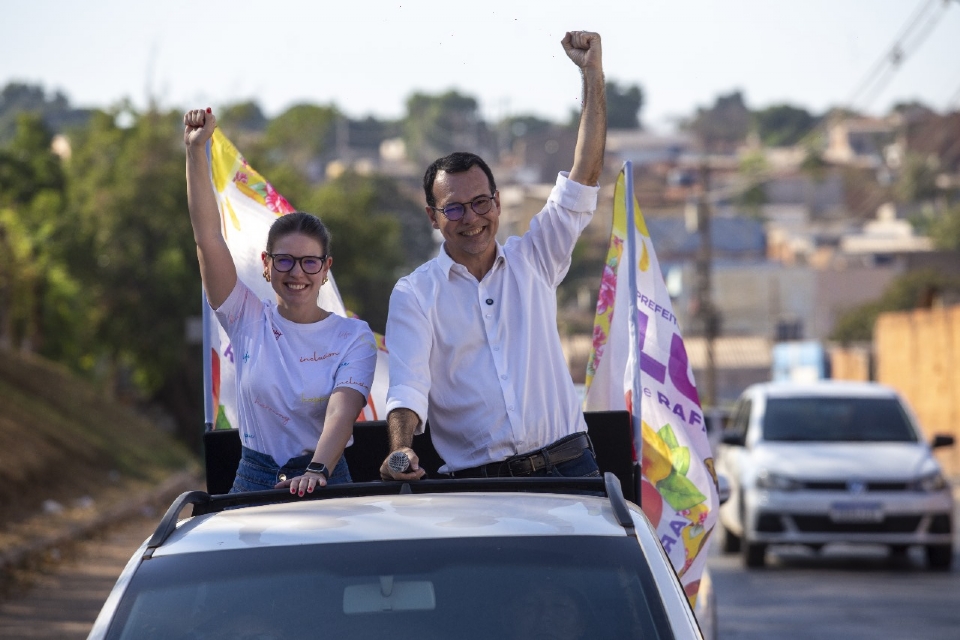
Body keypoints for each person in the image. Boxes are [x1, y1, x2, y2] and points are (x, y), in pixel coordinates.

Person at [380, 30, 606, 480]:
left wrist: (592, 75)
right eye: (455, 208)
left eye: (481, 202)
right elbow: (407, 388)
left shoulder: (536, 258)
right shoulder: (414, 295)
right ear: (432, 216)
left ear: (498, 203)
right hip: (482, 489)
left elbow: (585, 173)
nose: (472, 218)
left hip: (571, 470)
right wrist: (400, 450)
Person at [184, 108, 376, 496]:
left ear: (325, 269)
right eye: (285, 261)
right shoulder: (245, 317)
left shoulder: (353, 337)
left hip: (327, 479)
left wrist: (317, 469)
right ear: (267, 266)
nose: (297, 273)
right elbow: (208, 238)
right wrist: (194, 150)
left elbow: (341, 412)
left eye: (310, 262)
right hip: (254, 479)